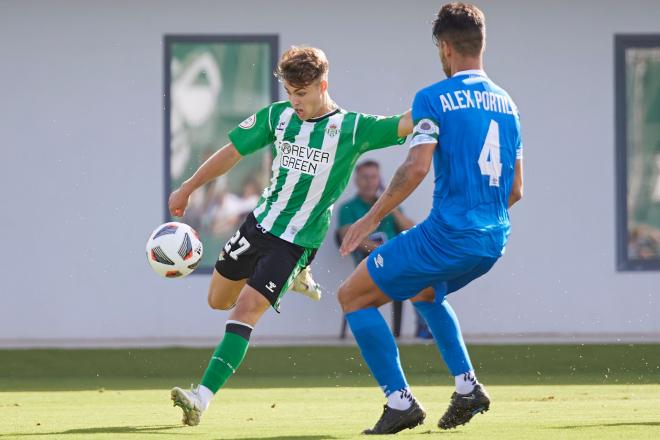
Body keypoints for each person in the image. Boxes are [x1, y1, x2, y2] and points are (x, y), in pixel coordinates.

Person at [168, 45, 413, 426]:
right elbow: (232, 151)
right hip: (259, 224)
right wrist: (188, 186)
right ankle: (294, 279)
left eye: (301, 93)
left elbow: (402, 124)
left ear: (322, 85)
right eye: (289, 93)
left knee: (245, 310)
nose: (294, 102)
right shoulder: (278, 117)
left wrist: (443, 104)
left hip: (296, 242)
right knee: (218, 299)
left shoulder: (350, 128)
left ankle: (201, 398)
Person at [337, 3, 524, 434]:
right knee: (425, 291)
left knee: (352, 296)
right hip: (493, 238)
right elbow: (516, 190)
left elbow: (416, 167)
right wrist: (478, 221)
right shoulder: (508, 104)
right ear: (481, 44)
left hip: (448, 235)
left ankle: (399, 401)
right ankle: (467, 387)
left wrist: (369, 220)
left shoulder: (433, 97)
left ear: (444, 48)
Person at [337, 160, 430, 339]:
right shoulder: (348, 207)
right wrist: (384, 250)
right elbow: (347, 237)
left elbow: (411, 230)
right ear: (356, 180)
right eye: (365, 177)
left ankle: (424, 326)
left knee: (424, 273)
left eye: (373, 177)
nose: (369, 182)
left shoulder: (387, 205)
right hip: (369, 263)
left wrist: (391, 206)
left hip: (396, 261)